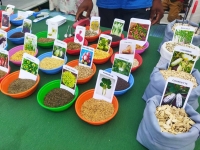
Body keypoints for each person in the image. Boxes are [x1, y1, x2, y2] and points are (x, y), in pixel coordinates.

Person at [75, 0, 164, 31]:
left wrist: (157, 1)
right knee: (108, 43)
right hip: (107, 5)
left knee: (137, 44)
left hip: (139, 4)